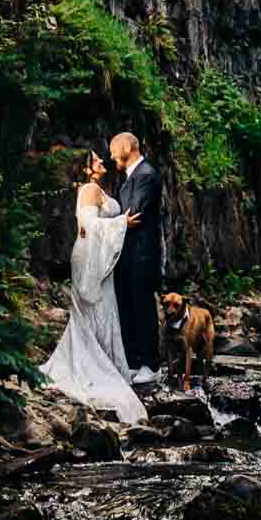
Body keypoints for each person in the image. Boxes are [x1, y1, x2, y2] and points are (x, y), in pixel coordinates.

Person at [40, 155, 146, 423]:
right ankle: (95, 365)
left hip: (94, 256)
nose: (102, 161)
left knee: (102, 310)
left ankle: (104, 361)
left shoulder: (96, 189)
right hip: (89, 259)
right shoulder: (88, 189)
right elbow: (87, 226)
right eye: (96, 159)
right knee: (95, 308)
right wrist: (122, 223)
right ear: (86, 168)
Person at [109, 130, 162, 385]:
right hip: (126, 254)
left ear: (127, 148)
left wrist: (113, 222)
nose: (110, 156)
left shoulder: (147, 175)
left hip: (141, 254)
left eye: (113, 150)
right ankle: (132, 362)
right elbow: (124, 217)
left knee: (143, 308)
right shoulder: (130, 178)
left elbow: (135, 213)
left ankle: (151, 365)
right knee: (127, 307)